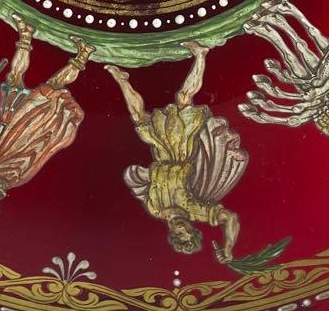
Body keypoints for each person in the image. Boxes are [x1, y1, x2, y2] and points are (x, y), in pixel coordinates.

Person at [104, 41, 247, 264]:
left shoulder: (154, 209)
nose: (182, 230)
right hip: (181, 149)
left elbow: (148, 180)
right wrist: (228, 247)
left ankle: (121, 79)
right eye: (187, 232)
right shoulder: (195, 210)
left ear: (172, 234)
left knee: (139, 119)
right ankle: (200, 55)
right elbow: (230, 218)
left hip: (162, 152)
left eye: (179, 235)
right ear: (193, 228)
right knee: (183, 100)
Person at [0, 19, 92, 230]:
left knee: (15, 78)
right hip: (25, 120)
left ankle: (26, 33)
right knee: (51, 85)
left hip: (12, 119)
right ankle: (83, 53)